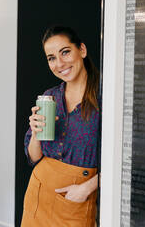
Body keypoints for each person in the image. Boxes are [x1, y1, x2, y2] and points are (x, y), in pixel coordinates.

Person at [21, 26, 100, 227]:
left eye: (65, 52)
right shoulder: (50, 96)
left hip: (78, 196)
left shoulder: (105, 97)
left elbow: (128, 159)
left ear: (81, 50)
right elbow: (33, 157)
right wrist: (36, 132)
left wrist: (87, 188)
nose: (59, 63)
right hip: (39, 191)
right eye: (51, 58)